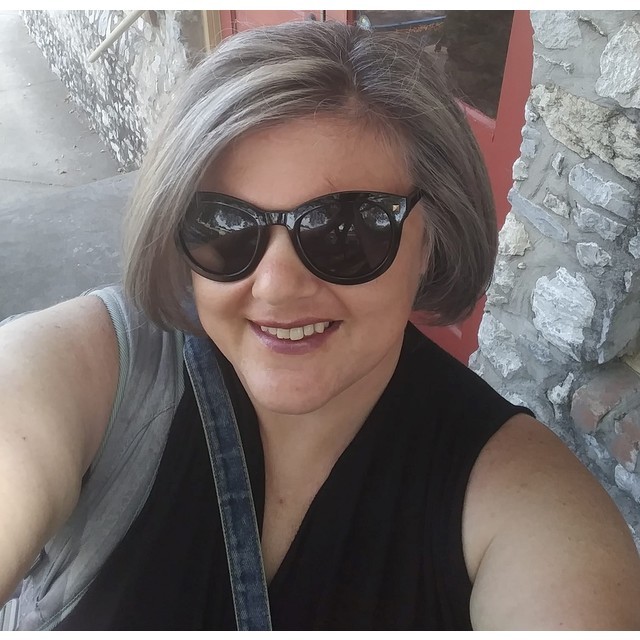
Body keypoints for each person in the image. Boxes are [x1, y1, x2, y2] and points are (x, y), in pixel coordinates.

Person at [1, 20, 639, 631]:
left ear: (432, 241)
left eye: (345, 230)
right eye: (225, 227)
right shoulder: (90, 372)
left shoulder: (518, 500)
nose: (276, 287)